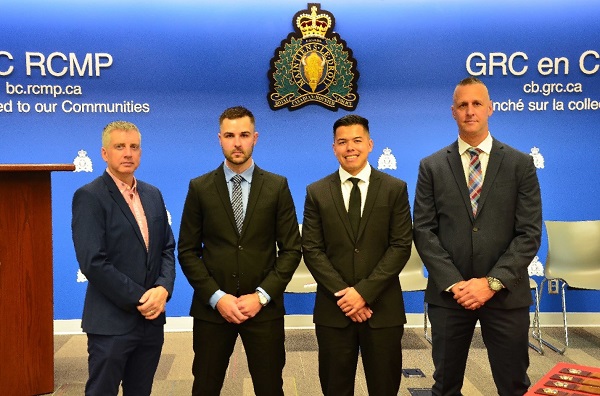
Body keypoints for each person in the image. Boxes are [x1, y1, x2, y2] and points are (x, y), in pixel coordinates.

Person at [413, 76, 542, 396]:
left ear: (490, 109)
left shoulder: (520, 164)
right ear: (453, 112)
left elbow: (529, 233)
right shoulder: (431, 166)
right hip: (449, 295)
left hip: (505, 293)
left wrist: (491, 282)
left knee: (513, 384)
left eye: (476, 104)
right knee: (445, 386)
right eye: (463, 105)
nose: (470, 111)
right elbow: (424, 230)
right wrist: (456, 283)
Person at [177, 106, 302, 396]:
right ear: (219, 138)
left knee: (270, 387)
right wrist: (217, 298)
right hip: (213, 310)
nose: (237, 142)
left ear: (255, 138)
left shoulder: (277, 186)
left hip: (263, 309)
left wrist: (261, 296)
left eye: (244, 135)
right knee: (205, 386)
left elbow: (292, 250)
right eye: (230, 135)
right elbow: (187, 251)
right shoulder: (200, 188)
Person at [302, 114, 413, 396]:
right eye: (342, 142)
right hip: (334, 310)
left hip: (382, 309)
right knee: (335, 388)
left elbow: (400, 246)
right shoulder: (316, 192)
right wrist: (345, 294)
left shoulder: (394, 189)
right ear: (334, 148)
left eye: (357, 140)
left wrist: (363, 293)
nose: (350, 147)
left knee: (384, 387)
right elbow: (312, 249)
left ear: (370, 144)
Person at [71, 121, 176, 395]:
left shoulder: (153, 195)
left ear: (140, 153)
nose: (128, 153)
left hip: (151, 322)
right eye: (120, 146)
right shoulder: (89, 196)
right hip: (111, 324)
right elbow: (93, 262)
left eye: (134, 147)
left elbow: (166, 247)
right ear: (105, 153)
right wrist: (142, 298)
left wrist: (163, 289)